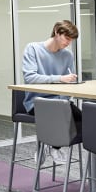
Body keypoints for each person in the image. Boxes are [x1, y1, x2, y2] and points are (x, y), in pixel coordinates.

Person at [22, 19, 82, 163]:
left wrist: (71, 81)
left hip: (61, 102)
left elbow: (67, 81)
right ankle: (48, 146)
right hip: (38, 103)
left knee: (84, 120)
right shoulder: (33, 49)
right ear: (56, 31)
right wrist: (60, 78)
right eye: (66, 38)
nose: (68, 43)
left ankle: (53, 146)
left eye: (71, 40)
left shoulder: (67, 55)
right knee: (65, 116)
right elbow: (30, 77)